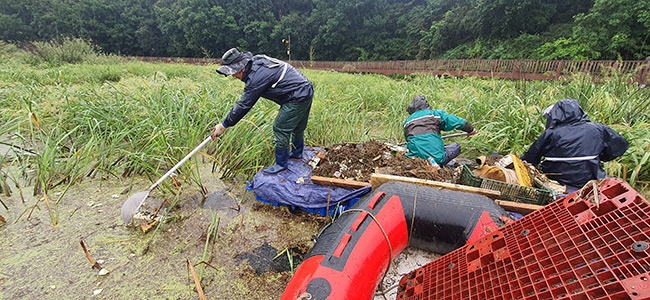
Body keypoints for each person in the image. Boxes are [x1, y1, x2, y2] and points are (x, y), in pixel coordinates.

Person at [212, 48, 314, 174]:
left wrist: (224, 124)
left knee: (280, 127)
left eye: (234, 72)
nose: (233, 76)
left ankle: (281, 164)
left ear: (242, 68)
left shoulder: (256, 78)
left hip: (297, 95)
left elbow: (244, 105)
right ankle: (297, 153)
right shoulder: (256, 62)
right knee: (297, 126)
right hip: (305, 89)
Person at [521, 99, 629, 192]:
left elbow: (530, 158)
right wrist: (601, 156)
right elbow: (620, 146)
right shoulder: (597, 129)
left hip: (557, 182)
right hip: (591, 179)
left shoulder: (551, 133)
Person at [403, 95, 477, 167]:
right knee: (456, 147)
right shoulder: (435, 115)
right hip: (436, 160)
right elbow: (460, 122)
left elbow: (409, 140)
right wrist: (471, 130)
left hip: (414, 159)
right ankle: (441, 164)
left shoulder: (407, 122)